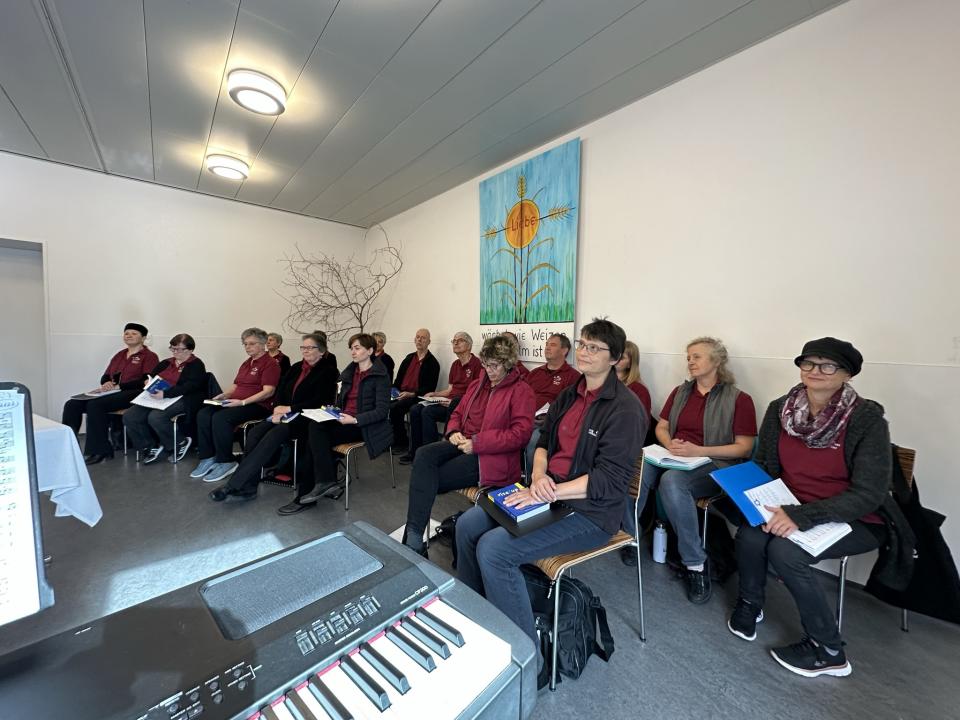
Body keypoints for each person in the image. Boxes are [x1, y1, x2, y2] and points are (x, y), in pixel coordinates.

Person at [455, 318, 646, 681]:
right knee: (468, 524)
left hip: (590, 512)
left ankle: (529, 663)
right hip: (548, 492)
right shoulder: (571, 392)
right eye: (583, 344)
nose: (584, 352)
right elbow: (542, 442)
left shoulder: (625, 409)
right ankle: (481, 618)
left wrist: (549, 491)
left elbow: (608, 481)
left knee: (494, 550)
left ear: (615, 358)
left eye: (594, 348)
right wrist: (540, 477)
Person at [728, 337, 906, 678]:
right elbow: (765, 465)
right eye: (808, 363)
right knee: (750, 535)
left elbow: (869, 494)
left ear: (847, 374)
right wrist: (763, 506)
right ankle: (750, 603)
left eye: (828, 365)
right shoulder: (780, 409)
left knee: (785, 552)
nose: (815, 371)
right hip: (790, 506)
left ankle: (828, 650)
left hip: (853, 516)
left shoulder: (866, 419)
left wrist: (800, 517)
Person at [634, 337, 757, 600]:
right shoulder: (681, 392)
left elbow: (744, 448)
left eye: (697, 356)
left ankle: (695, 564)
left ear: (716, 361)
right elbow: (662, 427)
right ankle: (630, 535)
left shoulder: (739, 399)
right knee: (637, 465)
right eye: (688, 357)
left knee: (672, 481)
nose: (690, 362)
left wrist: (699, 450)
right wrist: (669, 444)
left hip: (715, 464)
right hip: (677, 457)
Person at [401, 335, 535, 555]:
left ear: (508, 363)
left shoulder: (521, 391)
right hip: (464, 442)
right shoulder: (477, 385)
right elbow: (457, 412)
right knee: (423, 455)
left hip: (490, 457)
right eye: (486, 364)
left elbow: (520, 435)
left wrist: (478, 443)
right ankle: (414, 538)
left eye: (495, 365)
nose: (489, 370)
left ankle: (412, 540)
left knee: (426, 477)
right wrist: (453, 431)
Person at [208, 333, 338, 504]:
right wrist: (277, 408)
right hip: (283, 414)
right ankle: (249, 487)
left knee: (274, 434)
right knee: (255, 433)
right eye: (303, 347)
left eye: (310, 347)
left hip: (306, 418)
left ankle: (233, 485)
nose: (305, 351)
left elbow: (321, 401)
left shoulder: (329, 371)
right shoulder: (296, 367)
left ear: (321, 351)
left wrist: (290, 409)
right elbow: (280, 390)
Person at [293, 333, 392, 507]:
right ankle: (325, 482)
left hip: (363, 425)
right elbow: (340, 401)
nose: (353, 352)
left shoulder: (380, 376)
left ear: (370, 351)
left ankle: (314, 489)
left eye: (357, 348)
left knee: (314, 440)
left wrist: (354, 420)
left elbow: (382, 412)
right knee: (314, 428)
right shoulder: (349, 373)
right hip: (343, 419)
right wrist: (333, 410)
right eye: (351, 348)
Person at [189, 328, 281, 483]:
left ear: (263, 344)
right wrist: (224, 395)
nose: (247, 347)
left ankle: (226, 461)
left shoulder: (271, 364)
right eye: (245, 344)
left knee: (221, 418)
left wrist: (242, 402)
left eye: (252, 344)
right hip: (236, 402)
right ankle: (208, 457)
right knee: (203, 414)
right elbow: (236, 385)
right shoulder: (246, 363)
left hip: (258, 405)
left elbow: (268, 392)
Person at [61, 322, 159, 465]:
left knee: (95, 405)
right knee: (72, 404)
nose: (129, 336)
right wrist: (106, 382)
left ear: (143, 338)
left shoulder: (149, 356)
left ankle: (100, 451)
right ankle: (68, 446)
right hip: (114, 392)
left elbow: (146, 380)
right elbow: (106, 375)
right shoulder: (120, 355)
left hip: (135, 392)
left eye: (134, 333)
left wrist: (120, 386)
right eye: (126, 333)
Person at [399, 331, 483, 464]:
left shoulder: (477, 364)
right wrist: (434, 394)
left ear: (469, 345)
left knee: (429, 411)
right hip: (448, 402)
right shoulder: (455, 364)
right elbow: (450, 390)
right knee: (416, 409)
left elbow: (476, 393)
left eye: (460, 340)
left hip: (461, 405)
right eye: (454, 340)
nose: (455, 343)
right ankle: (415, 452)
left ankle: (433, 454)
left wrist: (452, 401)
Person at [122, 333, 206, 464]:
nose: (175, 352)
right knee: (130, 415)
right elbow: (152, 376)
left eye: (179, 349)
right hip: (159, 397)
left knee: (156, 417)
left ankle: (180, 442)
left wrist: (166, 394)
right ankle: (149, 446)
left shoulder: (196, 364)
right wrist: (148, 382)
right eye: (172, 348)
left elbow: (190, 387)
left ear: (190, 350)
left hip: (183, 398)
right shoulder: (166, 363)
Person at [522, 333, 580, 472]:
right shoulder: (535, 373)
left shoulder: (573, 377)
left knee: (534, 442)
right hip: (525, 418)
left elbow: (572, 408)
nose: (547, 347)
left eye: (552, 345)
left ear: (564, 350)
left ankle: (532, 480)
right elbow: (521, 397)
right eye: (546, 344)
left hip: (548, 423)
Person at [389, 328, 440, 451]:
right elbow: (398, 380)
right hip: (401, 393)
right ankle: (386, 439)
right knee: (383, 402)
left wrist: (411, 394)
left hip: (416, 396)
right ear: (414, 340)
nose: (419, 340)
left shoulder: (433, 363)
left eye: (423, 338)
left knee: (395, 408)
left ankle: (401, 441)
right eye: (417, 337)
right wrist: (393, 392)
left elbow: (430, 388)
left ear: (429, 342)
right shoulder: (409, 358)